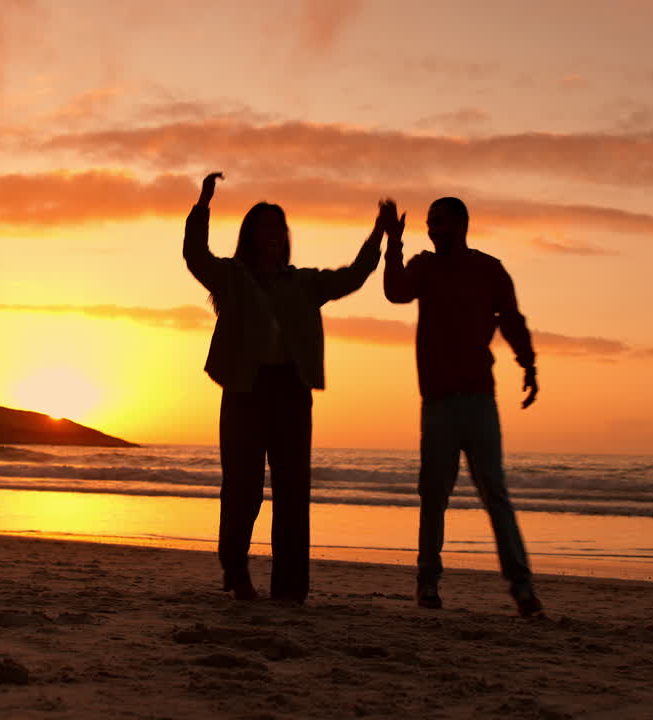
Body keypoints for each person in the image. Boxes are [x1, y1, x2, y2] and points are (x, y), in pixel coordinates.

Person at [184, 171, 391, 604]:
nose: (274, 233)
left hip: (291, 392)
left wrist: (379, 235)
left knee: (293, 492)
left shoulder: (304, 282)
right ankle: (236, 574)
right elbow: (195, 254)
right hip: (244, 389)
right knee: (243, 488)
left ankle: (290, 590)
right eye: (265, 226)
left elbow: (352, 276)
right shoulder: (232, 277)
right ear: (251, 235)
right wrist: (203, 203)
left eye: (280, 227)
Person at [381, 196, 544, 617]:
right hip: (437, 402)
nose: (434, 229)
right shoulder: (423, 266)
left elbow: (511, 319)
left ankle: (522, 588)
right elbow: (395, 293)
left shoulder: (488, 269)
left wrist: (528, 364)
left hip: (478, 400)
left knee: (495, 493)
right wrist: (393, 243)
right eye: (429, 223)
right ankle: (427, 583)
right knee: (434, 495)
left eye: (441, 222)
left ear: (462, 224)